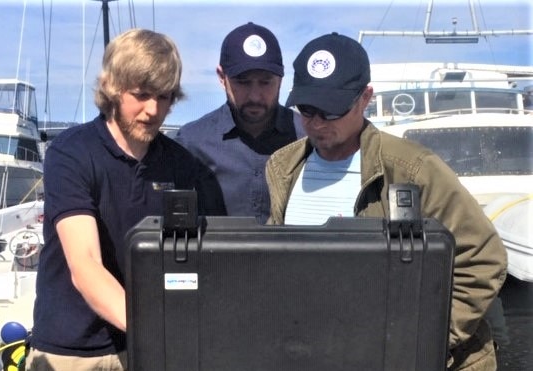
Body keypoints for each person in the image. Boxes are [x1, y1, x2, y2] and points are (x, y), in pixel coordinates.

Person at [265, 32, 507, 371]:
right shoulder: (281, 166)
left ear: (366, 98)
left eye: (331, 110)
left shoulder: (415, 169)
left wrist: (421, 339)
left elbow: (482, 258)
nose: (316, 123)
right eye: (306, 109)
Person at [26, 29, 225, 370]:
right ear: (112, 88)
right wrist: (156, 328)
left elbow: (201, 260)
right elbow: (85, 264)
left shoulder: (184, 166)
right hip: (72, 350)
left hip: (151, 351)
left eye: (164, 97)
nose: (153, 110)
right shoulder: (71, 154)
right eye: (142, 95)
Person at [175, 22, 304, 223]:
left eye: (265, 82)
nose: (255, 95)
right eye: (242, 82)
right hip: (216, 256)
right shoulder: (192, 143)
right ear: (221, 77)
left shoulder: (307, 139)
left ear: (281, 78)